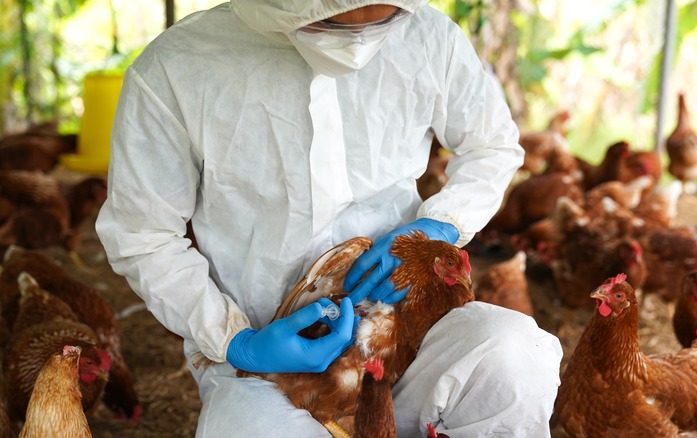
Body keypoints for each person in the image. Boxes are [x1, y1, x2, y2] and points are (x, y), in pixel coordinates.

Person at [95, 1, 563, 436]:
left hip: (406, 331)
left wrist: (441, 224)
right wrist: (235, 339)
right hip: (270, 360)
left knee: (513, 354)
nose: (360, 37)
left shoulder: (430, 37)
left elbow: (492, 145)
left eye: (384, 16)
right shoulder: (178, 66)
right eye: (334, 17)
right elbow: (144, 233)